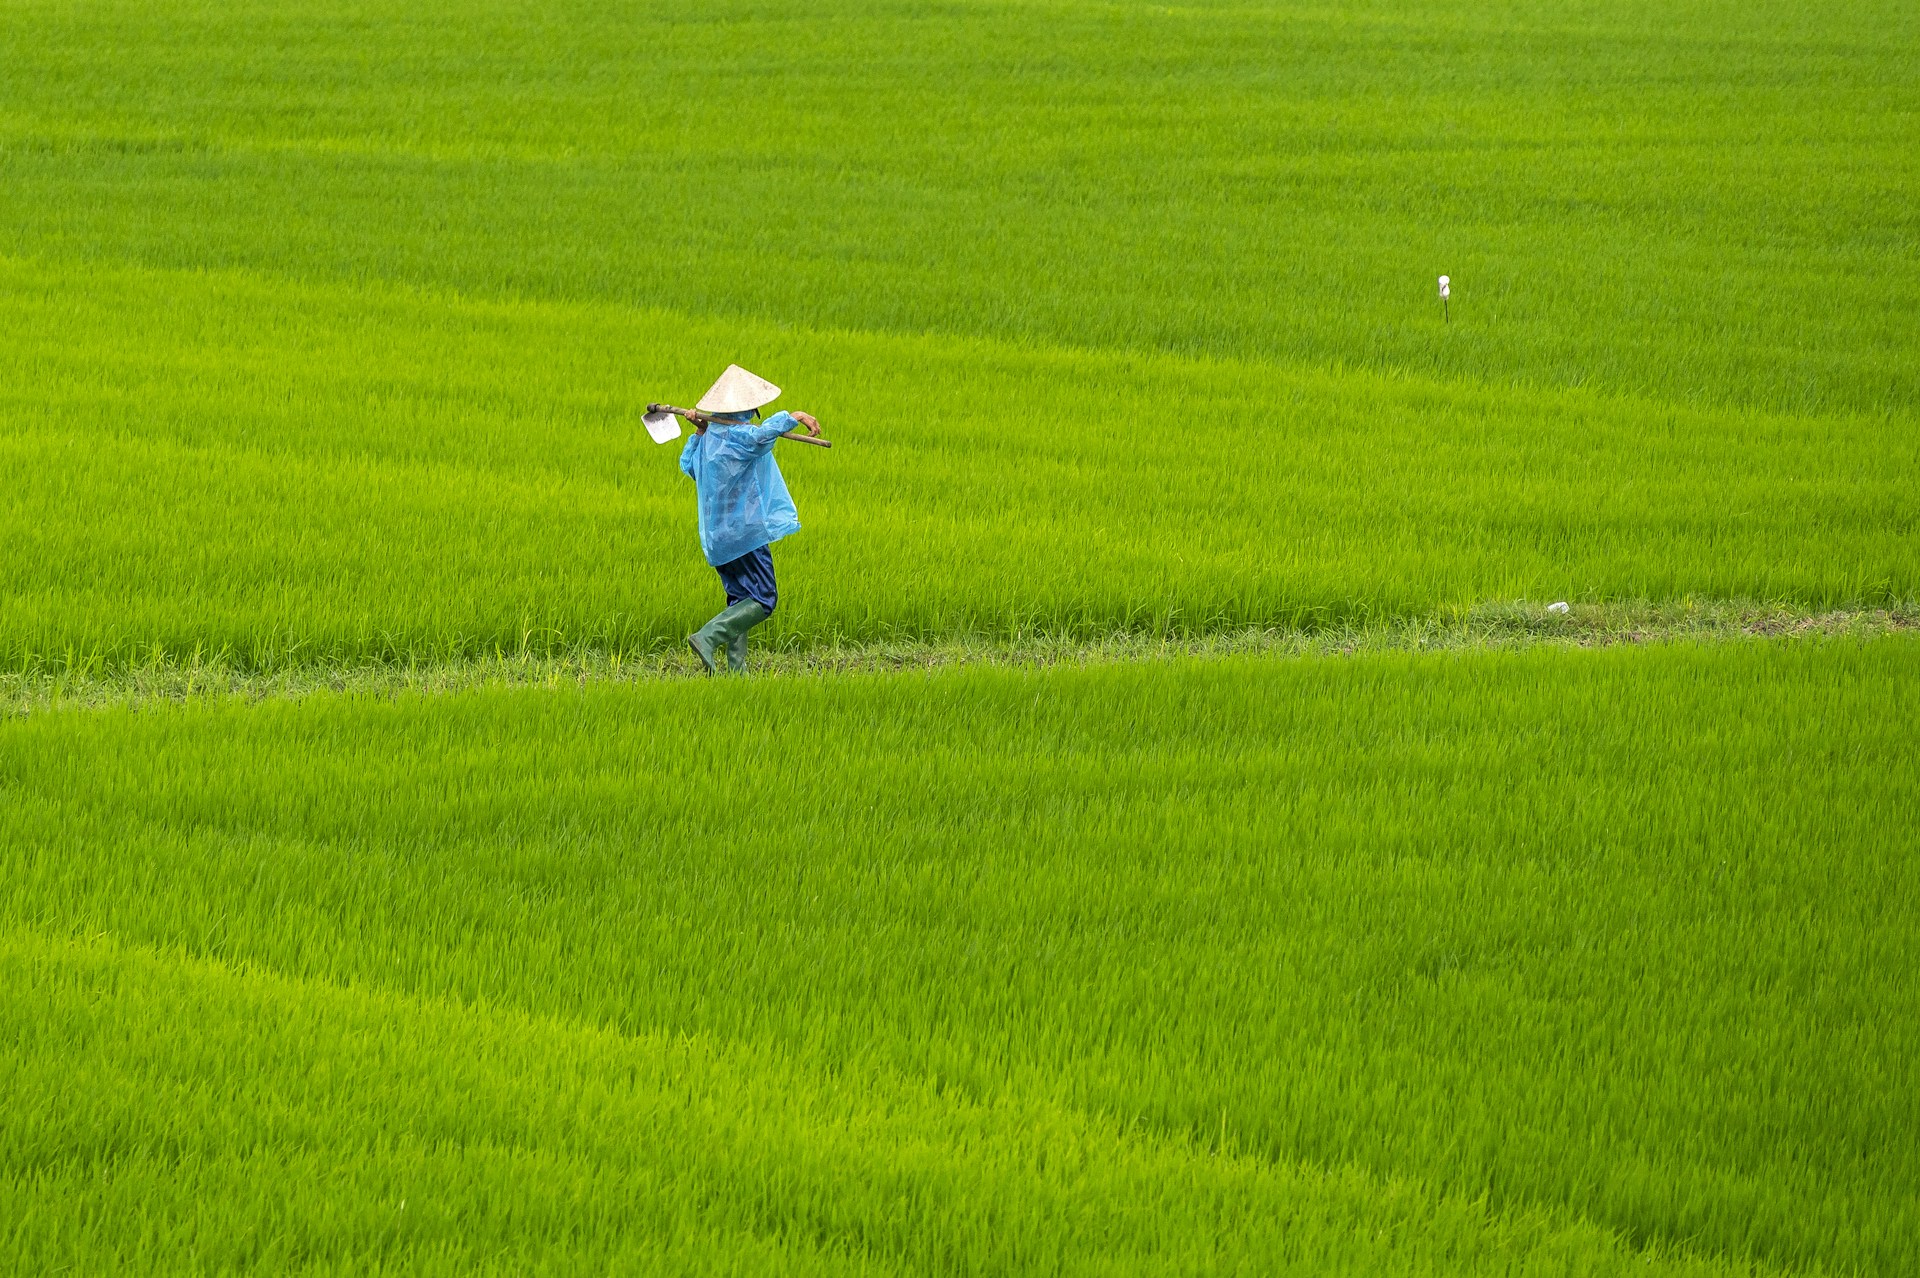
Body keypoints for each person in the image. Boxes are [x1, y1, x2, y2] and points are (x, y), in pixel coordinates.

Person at [678, 364, 822, 674]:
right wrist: (793, 416)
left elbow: (687, 465)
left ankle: (737, 673)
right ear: (748, 408)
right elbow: (760, 437)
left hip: (717, 538)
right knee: (764, 599)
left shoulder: (708, 438)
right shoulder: (739, 436)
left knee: (741, 599)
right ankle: (708, 636)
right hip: (745, 535)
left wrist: (700, 432)